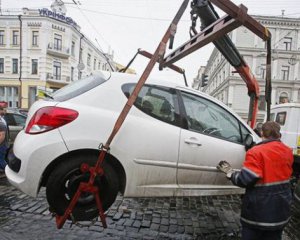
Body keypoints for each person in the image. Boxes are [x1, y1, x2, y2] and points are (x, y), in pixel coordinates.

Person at [217, 121, 293, 240]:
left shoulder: (256, 152)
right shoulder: (288, 151)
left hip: (259, 214)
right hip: (281, 210)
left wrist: (231, 173)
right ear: (279, 135)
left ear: (262, 133)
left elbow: (245, 180)